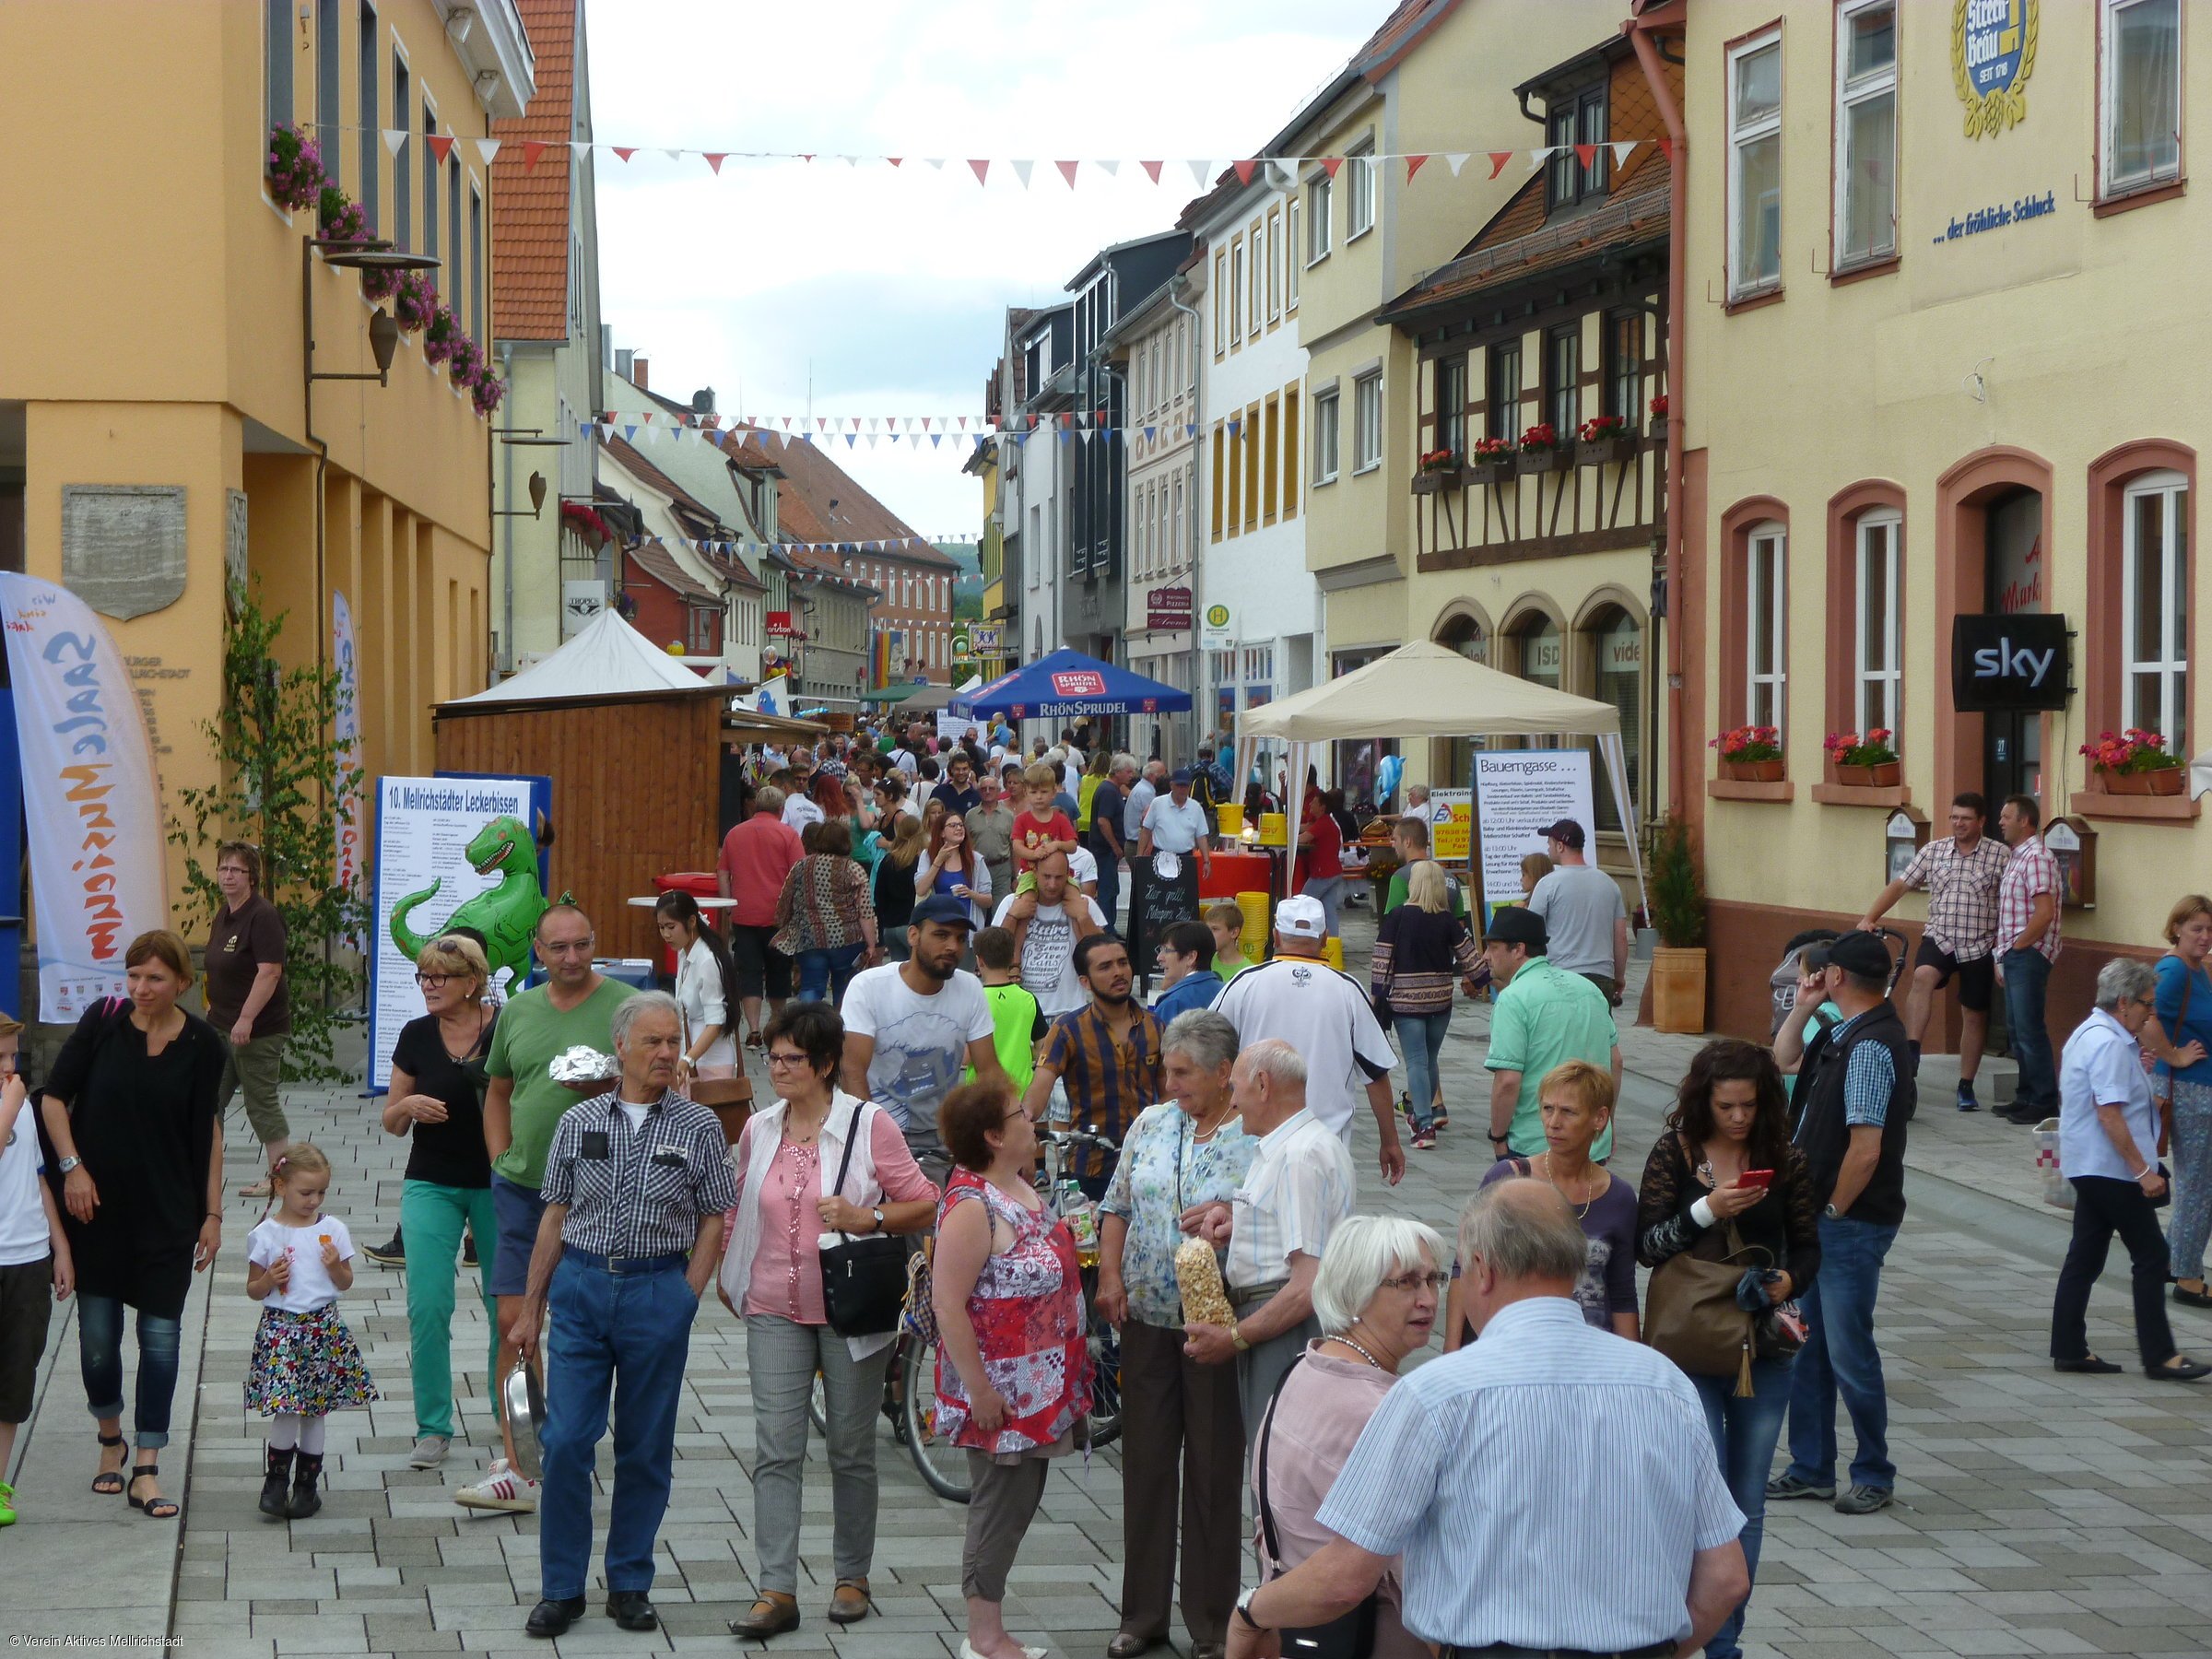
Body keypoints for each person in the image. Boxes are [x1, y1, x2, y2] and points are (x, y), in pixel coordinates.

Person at [1223, 1182, 1748, 1659]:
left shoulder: (1435, 1395)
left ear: (1485, 1269)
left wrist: (1251, 1614)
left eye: (1448, 1274)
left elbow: (1342, 1579)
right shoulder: (1666, 1385)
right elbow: (1725, 1579)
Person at [508, 993, 739, 1639]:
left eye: (675, 1042)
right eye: (654, 1042)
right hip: (581, 1291)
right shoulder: (578, 1121)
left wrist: (686, 1297)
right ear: (622, 1047)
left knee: (643, 1448)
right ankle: (561, 1588)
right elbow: (552, 1216)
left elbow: (716, 1214)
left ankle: (630, 1581)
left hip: (655, 1291)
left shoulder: (696, 1128)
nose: (667, 1053)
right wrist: (531, 1309)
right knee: (565, 1441)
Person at [720, 1003, 940, 1636]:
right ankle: (776, 1589)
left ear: (822, 1065)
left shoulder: (870, 1126)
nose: (777, 1069)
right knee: (775, 1449)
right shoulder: (759, 1127)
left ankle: (852, 1575)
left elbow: (924, 1204)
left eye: (791, 1059)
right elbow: (741, 1205)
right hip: (772, 1306)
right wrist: (730, 1276)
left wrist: (865, 1217)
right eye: (772, 1056)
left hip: (851, 1311)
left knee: (849, 1447)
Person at [1638, 1039, 1822, 1659]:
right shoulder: (1678, 1151)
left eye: (1748, 1105)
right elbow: (1650, 1244)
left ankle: (1724, 1642)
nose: (1738, 1117)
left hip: (1762, 1346)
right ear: (1704, 1101)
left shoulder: (1784, 1157)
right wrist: (1706, 1210)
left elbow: (1807, 1245)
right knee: (1701, 1491)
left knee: (1746, 1499)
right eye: (1726, 1106)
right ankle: (1682, 1628)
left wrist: (1789, 1282)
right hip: (1690, 1341)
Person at [39, 930, 226, 1521]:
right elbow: (52, 1100)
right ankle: (109, 1440)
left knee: (161, 1344)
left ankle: (146, 1464)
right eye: (134, 976)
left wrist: (214, 1213)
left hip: (169, 1216)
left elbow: (210, 1133)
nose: (141, 988)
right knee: (96, 1344)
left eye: (155, 978)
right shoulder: (104, 1020)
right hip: (96, 1212)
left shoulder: (204, 1045)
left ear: (181, 983)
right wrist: (73, 1168)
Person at [460, 903, 635, 1516]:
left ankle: (565, 1445)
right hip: (522, 1187)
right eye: (557, 948)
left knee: (580, 1325)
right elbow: (499, 1089)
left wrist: (610, 1086)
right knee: (515, 1321)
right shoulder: (520, 1011)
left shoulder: (624, 1006)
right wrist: (500, 1155)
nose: (569, 958)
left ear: (595, 945)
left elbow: (660, 1084)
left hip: (598, 1193)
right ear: (537, 951)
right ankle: (519, 1463)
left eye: (580, 945)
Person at [1095, 1010, 1257, 1659]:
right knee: (1147, 1465)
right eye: (1167, 1068)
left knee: (1216, 1473)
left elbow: (1272, 1224)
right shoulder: (1150, 1124)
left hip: (1217, 1323)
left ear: (1225, 1073)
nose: (1170, 1081)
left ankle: (1215, 1624)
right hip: (1145, 1319)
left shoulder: (1253, 1137)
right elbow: (1117, 1205)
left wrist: (1229, 1221)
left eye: (1183, 1072)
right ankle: (1142, 1616)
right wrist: (1110, 1277)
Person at [931, 1078, 1093, 1659]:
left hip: (1041, 1389)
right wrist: (978, 1392)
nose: (1033, 1118)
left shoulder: (1020, 1187)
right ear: (995, 1137)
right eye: (1021, 1114)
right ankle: (983, 1637)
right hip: (1002, 1395)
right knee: (998, 1508)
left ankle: (992, 1628)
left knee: (1018, 1504)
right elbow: (947, 1305)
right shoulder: (972, 1205)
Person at [1246, 1216, 1448, 1659]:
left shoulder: (1305, 1364)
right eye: (1407, 1283)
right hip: (1373, 1635)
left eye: (1434, 1279)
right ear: (1357, 1290)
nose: (1429, 1300)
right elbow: (1418, 1571)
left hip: (1298, 1620)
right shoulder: (1379, 1410)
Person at [1767, 929, 1912, 1518]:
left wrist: (1832, 1211)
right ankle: (1811, 1468)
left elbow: (1866, 1148)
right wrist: (1803, 1006)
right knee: (1809, 1348)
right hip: (1826, 1219)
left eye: (1820, 973)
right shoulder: (1840, 1031)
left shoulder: (1872, 1046)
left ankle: (1873, 1471)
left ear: (1839, 978)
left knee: (1850, 1353)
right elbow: (1781, 1058)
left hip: (1848, 1224)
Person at [1181, 1041, 1356, 1441]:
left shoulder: (1298, 1157)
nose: (1232, 1101)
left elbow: (1306, 1285)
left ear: (1262, 1084)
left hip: (1282, 1326)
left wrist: (1234, 1338)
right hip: (1277, 1319)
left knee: (1275, 1459)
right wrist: (1239, 1226)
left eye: (1236, 1088)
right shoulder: (1296, 1147)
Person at [2050, 959, 2212, 1382]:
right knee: (2153, 1255)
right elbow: (2109, 1116)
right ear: (2123, 1003)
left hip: (2091, 1164)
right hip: (2111, 1169)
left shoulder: (2092, 1032)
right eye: (2146, 1005)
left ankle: (2068, 1347)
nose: (2150, 1014)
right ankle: (2161, 1357)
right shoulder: (2108, 1043)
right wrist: (2144, 1172)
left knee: (2085, 1255)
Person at [382, 935, 499, 1471]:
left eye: (439, 978)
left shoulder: (506, 1026)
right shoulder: (415, 1035)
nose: (428, 986)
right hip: (430, 1181)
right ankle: (433, 1427)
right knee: (428, 1306)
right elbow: (391, 1121)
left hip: (501, 1183)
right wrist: (407, 1104)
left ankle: (511, 1416)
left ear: (471, 982)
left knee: (510, 1308)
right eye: (423, 977)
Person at [1210, 895, 1405, 1185]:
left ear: (1276, 936)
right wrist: (1390, 1140)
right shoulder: (1347, 990)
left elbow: (1207, 1053)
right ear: (1325, 937)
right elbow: (1375, 1073)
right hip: (1325, 1147)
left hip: (1252, 1142)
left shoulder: (1245, 983)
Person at [1461, 1059, 1639, 1340]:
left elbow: (1622, 1291)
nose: (1554, 1123)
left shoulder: (1619, 1196)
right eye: (1547, 1109)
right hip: (1513, 1346)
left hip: (1589, 1351)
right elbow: (1466, 1267)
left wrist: (1633, 1361)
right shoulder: (1509, 1180)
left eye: (1568, 1112)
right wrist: (1452, 1347)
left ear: (1600, 1118)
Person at [244, 1142, 375, 1522]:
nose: (313, 1200)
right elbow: (253, 1289)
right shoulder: (266, 1234)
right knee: (286, 1408)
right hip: (281, 1330)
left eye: (320, 1192)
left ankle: (306, 1487)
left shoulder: (333, 1229)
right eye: (305, 1192)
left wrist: (335, 1266)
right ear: (280, 1186)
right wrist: (269, 1278)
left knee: (315, 1411)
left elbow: (345, 1282)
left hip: (322, 1328)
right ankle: (274, 1483)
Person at [1858, 790, 2009, 1107]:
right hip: (1940, 936)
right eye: (1954, 817)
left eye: (1966, 819)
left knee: (1974, 1014)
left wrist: (2003, 947)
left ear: (1981, 821)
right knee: (1923, 974)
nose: (1958, 824)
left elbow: (2011, 903)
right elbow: (1901, 884)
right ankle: (1913, 1047)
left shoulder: (2000, 855)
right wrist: (1870, 917)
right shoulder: (1934, 850)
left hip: (1979, 944)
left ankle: (1966, 1085)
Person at [840, 895, 1006, 1172]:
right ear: (913, 935)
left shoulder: (971, 988)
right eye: (941, 935)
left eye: (961, 938)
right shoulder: (869, 986)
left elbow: (989, 1071)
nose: (953, 946)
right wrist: (873, 1140)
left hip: (946, 1136)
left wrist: (1010, 1128)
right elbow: (852, 1070)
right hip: (879, 1129)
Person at [1022, 934, 1163, 1199]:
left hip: (1148, 1163)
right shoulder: (1068, 1029)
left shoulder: (1155, 1026)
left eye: (1123, 963)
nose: (1118, 972)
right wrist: (1023, 1136)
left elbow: (1170, 1096)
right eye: (1105, 967)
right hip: (1088, 1169)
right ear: (1084, 981)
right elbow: (1039, 1090)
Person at [0, 1017, 72, 1528]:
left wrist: (60, 1247)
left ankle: (0, 1485)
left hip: (27, 1257)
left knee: (15, 1377)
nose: (10, 1069)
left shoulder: (19, 1103)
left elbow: (38, 1178)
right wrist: (9, 1106)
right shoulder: (12, 1103)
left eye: (14, 1058)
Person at [1479, 907, 1620, 1164]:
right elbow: (1616, 1062)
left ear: (1518, 949)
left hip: (1536, 1144)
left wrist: (1497, 1137)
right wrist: (1605, 1124)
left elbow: (1508, 1081)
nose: (1485, 956)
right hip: (1590, 1140)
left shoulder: (1513, 998)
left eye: (1492, 947)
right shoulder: (1588, 989)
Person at [1370, 860, 1482, 1150]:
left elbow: (1382, 957)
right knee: (1430, 1060)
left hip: (1406, 1002)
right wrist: (1484, 980)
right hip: (1441, 1001)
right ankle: (1422, 1114)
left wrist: (1377, 994)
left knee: (1416, 1062)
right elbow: (1469, 957)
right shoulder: (1447, 920)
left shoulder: (1397, 917)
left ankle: (1423, 1124)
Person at [206, 841, 291, 1196]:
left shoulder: (262, 916)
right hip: (221, 1026)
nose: (228, 875)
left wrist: (245, 1018)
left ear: (251, 877)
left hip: (257, 1030)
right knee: (209, 1100)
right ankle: (207, 1175)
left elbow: (269, 972)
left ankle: (282, 1180)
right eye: (223, 868)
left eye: (236, 870)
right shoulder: (224, 914)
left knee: (260, 1103)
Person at [2147, 896, 2212, 1310]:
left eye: (2209, 930)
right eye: (2196, 929)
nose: (2205, 937)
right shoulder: (2172, 970)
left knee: (2200, 1184)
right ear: (2175, 929)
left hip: (2200, 1088)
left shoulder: (2197, 969)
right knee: (2198, 1187)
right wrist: (2174, 1056)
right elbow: (2145, 1019)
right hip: (2189, 1091)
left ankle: (2170, 1261)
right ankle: (2187, 1277)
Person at [1993, 794, 2064, 1126]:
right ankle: (2025, 1095)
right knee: (2016, 1028)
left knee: (2029, 1028)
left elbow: (2044, 912)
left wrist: (2019, 947)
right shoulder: (2017, 857)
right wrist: (2002, 955)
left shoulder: (2036, 857)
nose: (2001, 822)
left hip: (2029, 953)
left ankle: (2044, 1100)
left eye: (2007, 817)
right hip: (2015, 953)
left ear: (2025, 821)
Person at [718, 782, 805, 1049]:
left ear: (755, 806)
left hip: (744, 913)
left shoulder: (734, 834)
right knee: (779, 973)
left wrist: (728, 903)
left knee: (750, 973)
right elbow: (799, 873)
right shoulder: (788, 834)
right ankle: (776, 1025)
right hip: (779, 916)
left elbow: (723, 871)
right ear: (781, 809)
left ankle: (753, 1030)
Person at [772, 818, 881, 1006]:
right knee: (845, 989)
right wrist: (871, 944)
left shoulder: (801, 866)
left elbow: (785, 899)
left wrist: (782, 923)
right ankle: (841, 1028)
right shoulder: (853, 869)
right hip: (847, 940)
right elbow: (865, 911)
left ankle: (808, 1028)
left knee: (811, 987)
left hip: (810, 937)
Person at [992, 850, 1110, 1018]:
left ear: (1068, 876)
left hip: (1070, 1012)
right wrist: (1012, 916)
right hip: (1022, 1011)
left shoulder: (1084, 904)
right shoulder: (1012, 903)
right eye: (1047, 876)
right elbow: (993, 955)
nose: (1052, 884)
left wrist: (1083, 917)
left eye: (1059, 877)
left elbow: (1103, 954)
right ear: (1034, 873)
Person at [1526, 818, 1629, 1006]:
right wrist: (1619, 976)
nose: (1547, 848)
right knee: (1598, 1033)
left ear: (1560, 846)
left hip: (1561, 976)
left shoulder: (1548, 884)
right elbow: (1621, 937)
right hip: (1601, 976)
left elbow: (1530, 932)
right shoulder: (1609, 884)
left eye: (1549, 843)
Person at [655, 891, 738, 1082]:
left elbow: (716, 1022)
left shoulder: (706, 960)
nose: (666, 935)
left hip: (710, 1062)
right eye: (661, 928)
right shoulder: (685, 952)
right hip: (693, 1055)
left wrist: (688, 1058)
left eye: (671, 927)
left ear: (692, 922)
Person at [1380, 815, 1466, 919]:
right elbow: (1460, 923)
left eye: (1395, 840)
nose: (1393, 845)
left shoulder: (1401, 877)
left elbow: (1391, 921)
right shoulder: (1450, 878)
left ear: (1407, 842)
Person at [1139, 767, 1214, 885]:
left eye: (1185, 786)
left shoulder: (1196, 807)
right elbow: (1146, 830)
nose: (1182, 789)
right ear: (1171, 785)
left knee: (1183, 896)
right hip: (1160, 857)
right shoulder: (1158, 803)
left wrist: (1206, 862)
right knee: (1160, 893)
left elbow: (1201, 837)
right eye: (1179, 786)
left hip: (1186, 858)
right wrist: (1140, 857)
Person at [869, 810, 927, 961]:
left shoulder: (887, 860)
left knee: (900, 974)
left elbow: (878, 896)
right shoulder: (919, 863)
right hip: (911, 924)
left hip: (890, 928)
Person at [921, 812, 994, 929]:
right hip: (939, 925)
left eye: (961, 825)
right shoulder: (928, 856)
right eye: (953, 825)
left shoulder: (976, 859)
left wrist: (970, 894)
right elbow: (920, 889)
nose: (959, 828)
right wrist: (938, 862)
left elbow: (988, 901)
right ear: (942, 833)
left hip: (967, 926)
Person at [1293, 773, 1343, 937]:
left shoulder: (1322, 823)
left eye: (1314, 804)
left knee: (1303, 903)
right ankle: (1333, 942)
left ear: (1322, 807)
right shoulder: (1326, 822)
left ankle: (1299, 937)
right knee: (1328, 909)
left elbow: (1303, 838)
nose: (1310, 807)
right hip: (1333, 871)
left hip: (1323, 873)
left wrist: (1287, 835)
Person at [1150, 919, 1226, 1028]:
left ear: (1191, 957)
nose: (1159, 958)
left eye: (1166, 950)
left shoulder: (1173, 1003)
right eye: (1160, 950)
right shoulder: (1226, 991)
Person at [1090, 753, 1136, 931]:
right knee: (1107, 889)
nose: (1131, 775)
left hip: (1106, 850)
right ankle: (1106, 928)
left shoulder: (1112, 789)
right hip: (1105, 850)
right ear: (1117, 772)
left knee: (1112, 888)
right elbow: (1103, 821)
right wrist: (1116, 846)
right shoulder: (1109, 791)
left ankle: (1110, 926)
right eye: (1128, 771)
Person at [1014, 762, 1079, 877]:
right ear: (1025, 793)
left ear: (1054, 792)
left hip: (1059, 874)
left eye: (1044, 792)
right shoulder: (1021, 820)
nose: (1039, 797)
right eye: (1034, 792)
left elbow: (1073, 846)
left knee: (1073, 894)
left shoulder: (1061, 819)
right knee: (1027, 895)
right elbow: (1017, 846)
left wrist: (1057, 845)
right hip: (1030, 873)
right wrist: (1034, 854)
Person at [966, 771, 1019, 905]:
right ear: (979, 791)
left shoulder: (1009, 816)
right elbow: (967, 845)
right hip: (978, 869)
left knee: (1000, 911)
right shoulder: (970, 816)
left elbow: (1014, 848)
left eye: (992, 788)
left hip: (1002, 868)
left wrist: (1017, 876)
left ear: (999, 791)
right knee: (978, 911)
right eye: (984, 789)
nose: (988, 791)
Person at [1206, 902, 1253, 981]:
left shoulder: (1248, 971)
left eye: (1215, 929)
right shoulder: (1204, 963)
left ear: (1234, 933)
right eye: (1207, 928)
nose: (1208, 934)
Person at [937, 750, 982, 819]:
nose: (961, 772)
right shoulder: (939, 791)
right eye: (957, 769)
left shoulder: (976, 796)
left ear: (970, 769)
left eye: (964, 769)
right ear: (952, 770)